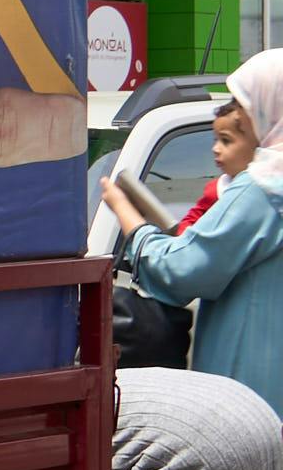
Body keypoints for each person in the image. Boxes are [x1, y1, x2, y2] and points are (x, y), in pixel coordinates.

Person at [101, 59, 283, 425]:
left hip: (251, 402)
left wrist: (129, 219)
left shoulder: (265, 190)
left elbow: (182, 270)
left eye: (245, 102)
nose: (240, 113)